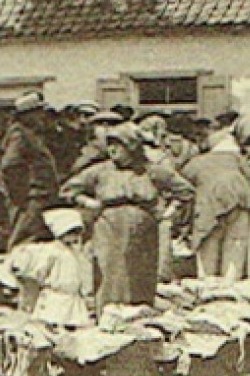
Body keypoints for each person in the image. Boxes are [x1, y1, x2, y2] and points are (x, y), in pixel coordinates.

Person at [62, 123, 194, 310]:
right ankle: (108, 316)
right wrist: (87, 202)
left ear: (131, 146)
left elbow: (185, 191)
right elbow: (68, 189)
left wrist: (170, 211)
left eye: (119, 145)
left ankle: (139, 317)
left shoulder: (151, 170)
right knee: (110, 274)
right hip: (108, 228)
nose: (113, 149)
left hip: (143, 228)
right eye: (110, 145)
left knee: (139, 274)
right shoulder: (100, 170)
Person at [182, 120, 250, 281]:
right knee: (235, 250)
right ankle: (230, 283)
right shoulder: (237, 159)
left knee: (208, 254)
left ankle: (209, 287)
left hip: (209, 211)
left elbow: (182, 184)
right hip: (240, 205)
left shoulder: (196, 163)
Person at [8, 207, 96, 328]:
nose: (74, 237)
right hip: (56, 294)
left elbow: (81, 271)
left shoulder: (75, 252)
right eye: (71, 232)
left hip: (71, 295)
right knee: (53, 321)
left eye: (77, 233)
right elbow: (41, 269)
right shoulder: (52, 251)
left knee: (72, 323)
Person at [0, 92, 61, 249]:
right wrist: (21, 197)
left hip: (38, 198)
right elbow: (10, 166)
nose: (42, 116)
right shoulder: (19, 134)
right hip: (30, 200)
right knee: (24, 241)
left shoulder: (32, 134)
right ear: (26, 115)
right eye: (37, 112)